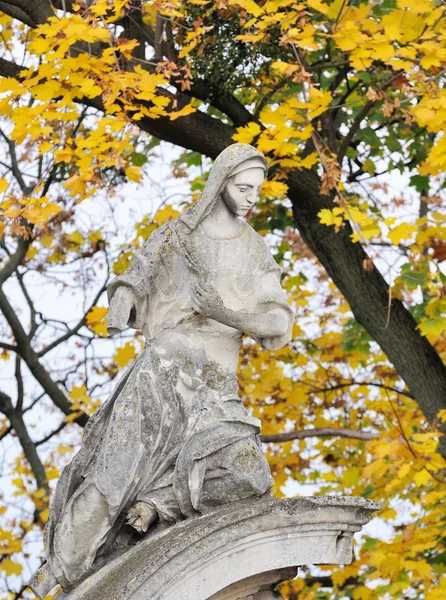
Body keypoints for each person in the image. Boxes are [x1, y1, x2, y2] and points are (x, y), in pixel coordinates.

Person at [31, 143, 293, 597]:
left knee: (248, 475)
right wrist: (124, 298)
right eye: (244, 187)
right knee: (118, 469)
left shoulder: (253, 249)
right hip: (164, 373)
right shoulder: (177, 236)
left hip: (214, 388)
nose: (252, 198)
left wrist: (226, 313)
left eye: (257, 190)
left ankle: (159, 504)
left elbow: (278, 324)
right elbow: (136, 277)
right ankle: (63, 567)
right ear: (220, 183)